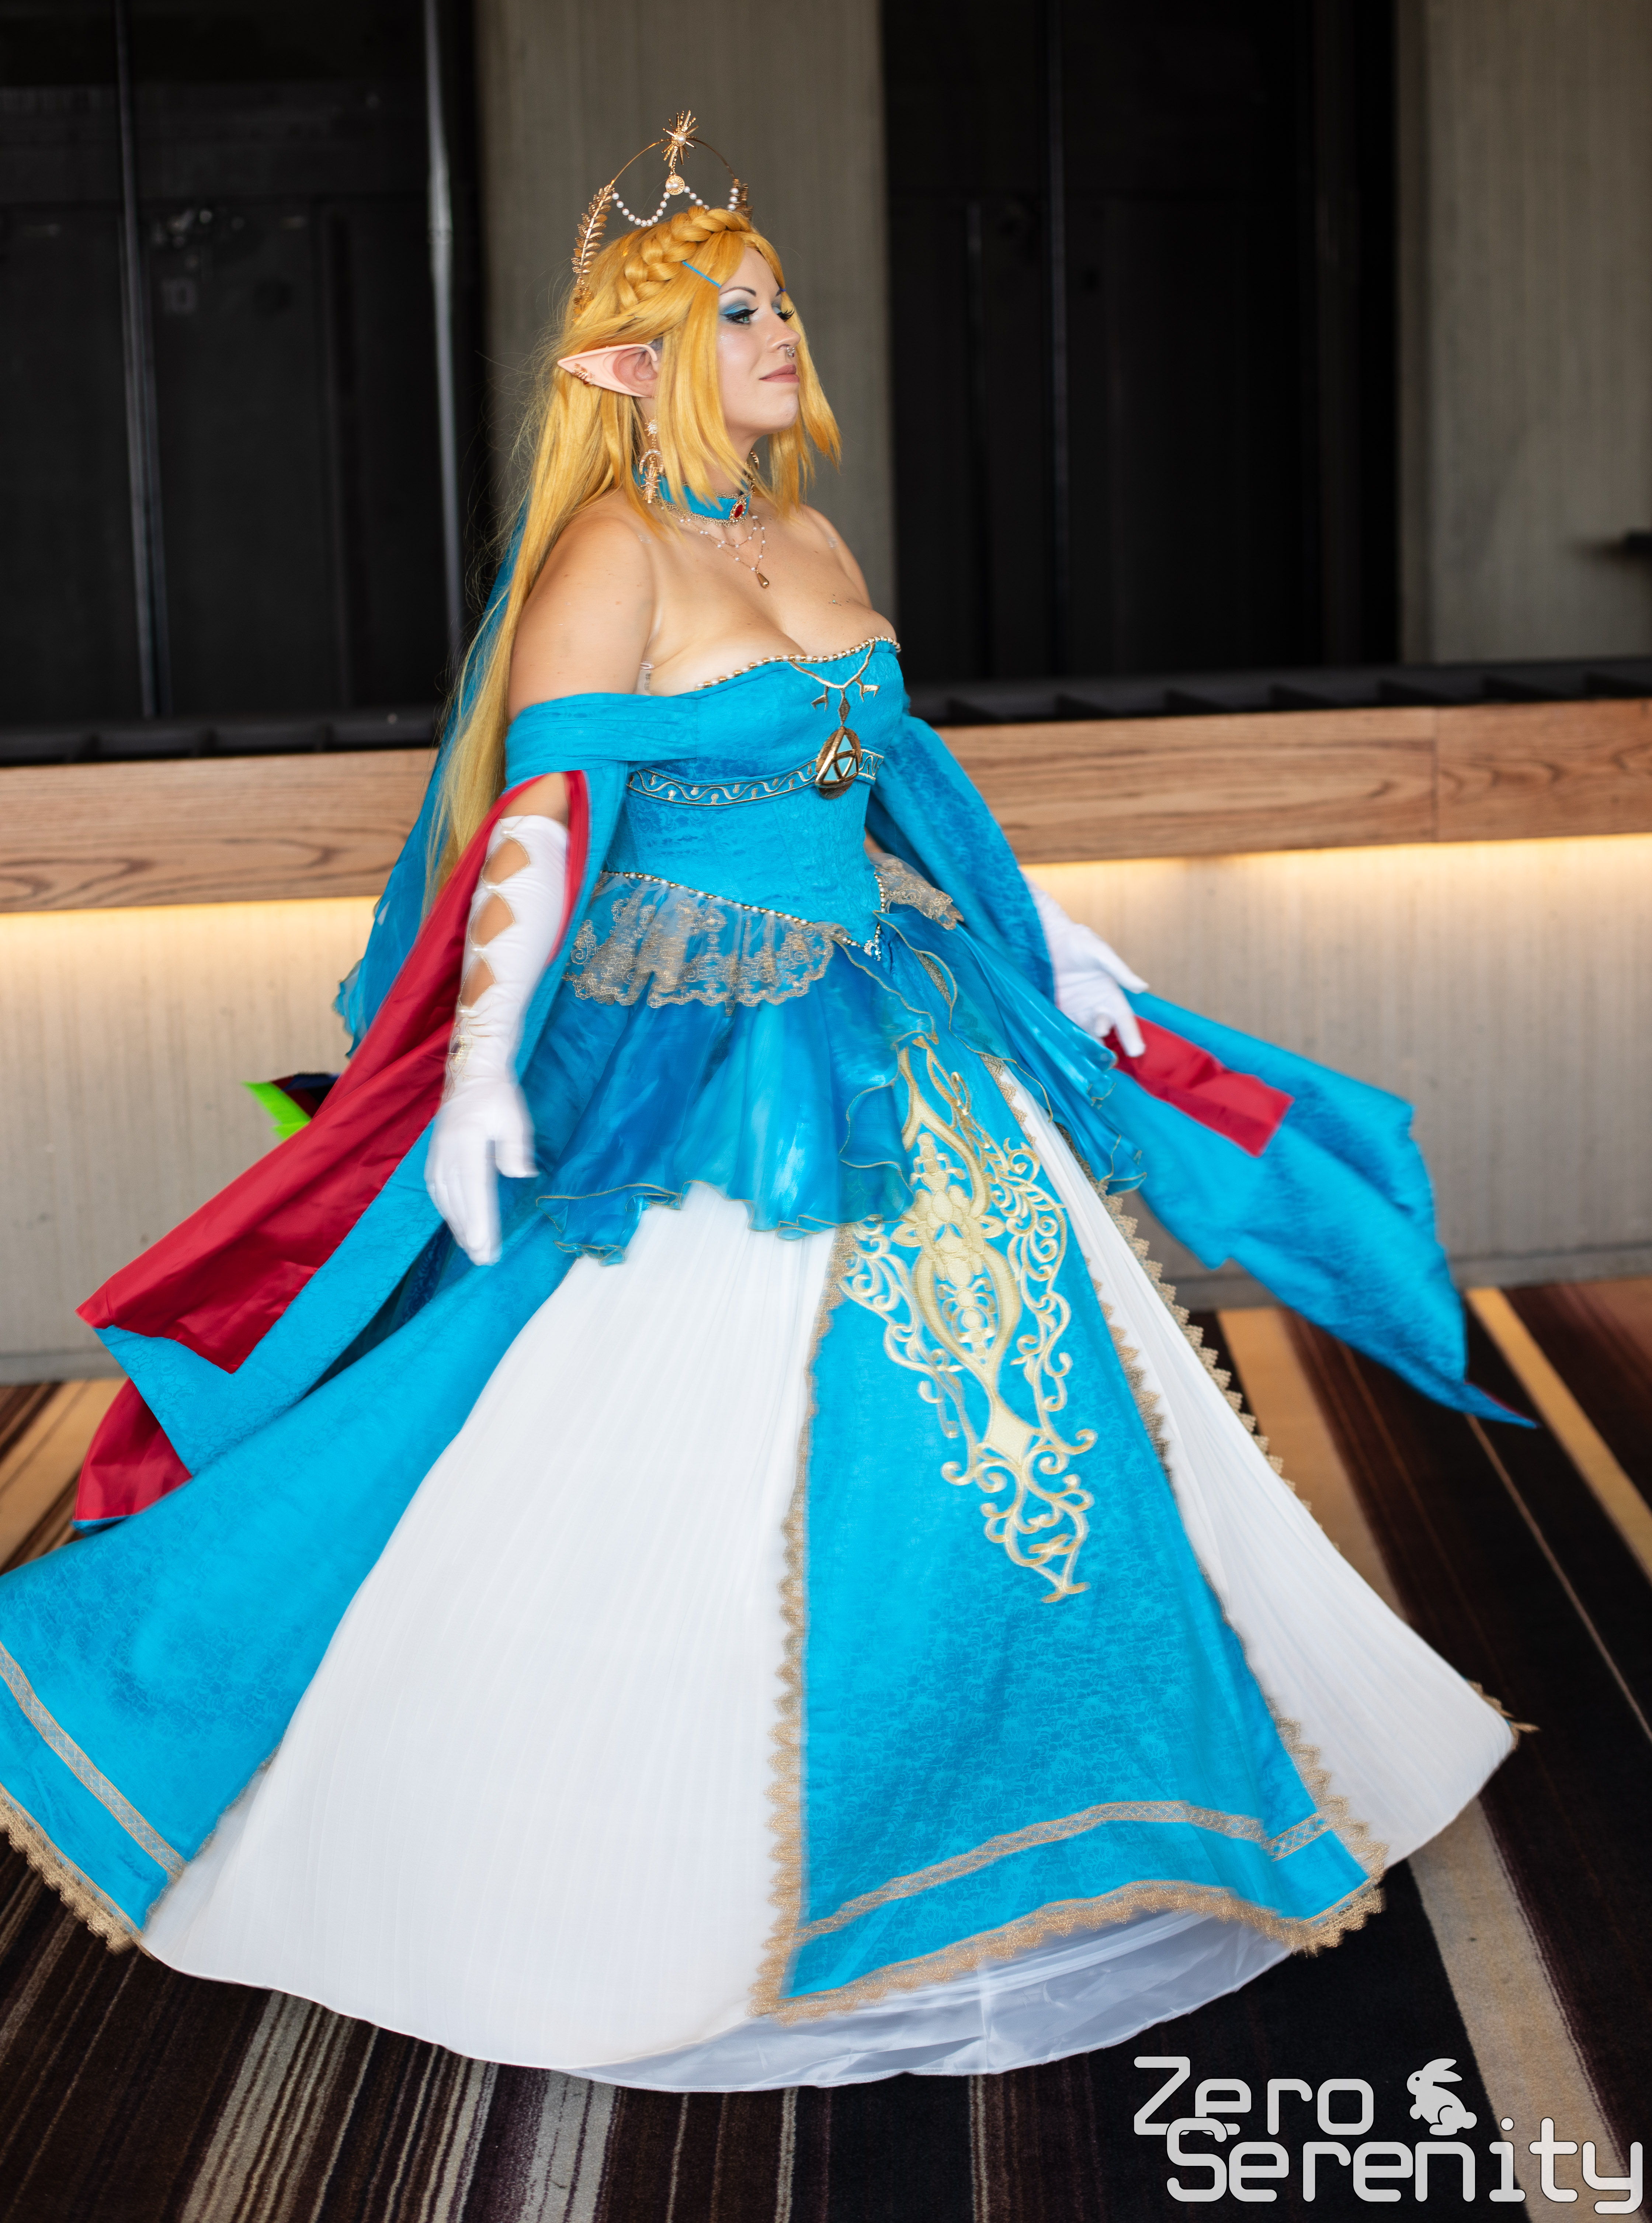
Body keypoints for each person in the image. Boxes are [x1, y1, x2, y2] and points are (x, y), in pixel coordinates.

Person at [0, 120, 1522, 2090]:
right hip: (692, 1055)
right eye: (739, 310)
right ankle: (616, 1840)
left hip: (894, 1011)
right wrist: (478, 1068)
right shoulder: (608, 555)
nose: (784, 330)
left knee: (1014, 1389)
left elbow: (884, 781)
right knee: (620, 1423)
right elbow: (543, 823)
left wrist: (1049, 937)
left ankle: (1046, 1795)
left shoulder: (809, 542)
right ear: (629, 366)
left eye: (783, 299)